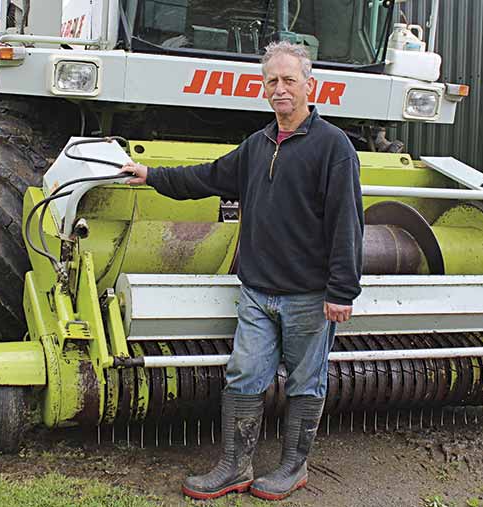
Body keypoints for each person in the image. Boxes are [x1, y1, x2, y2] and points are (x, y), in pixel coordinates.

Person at [122, 41, 363, 501]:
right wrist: (152, 175)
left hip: (309, 297)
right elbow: (206, 177)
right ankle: (235, 466)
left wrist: (342, 290)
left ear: (310, 84)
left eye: (289, 80)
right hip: (257, 292)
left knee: (305, 381)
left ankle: (293, 467)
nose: (280, 89)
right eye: (272, 81)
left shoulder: (335, 148)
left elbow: (347, 223)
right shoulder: (257, 145)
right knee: (244, 376)